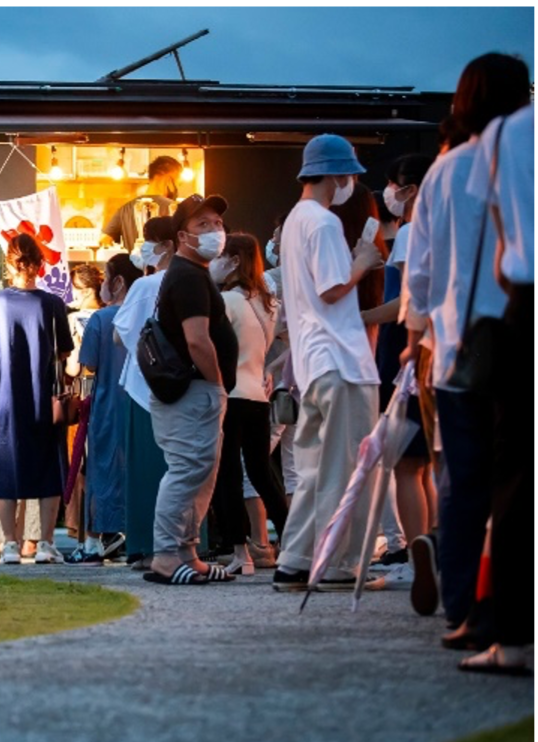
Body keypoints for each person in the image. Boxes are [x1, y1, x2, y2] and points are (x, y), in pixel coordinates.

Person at [406, 53, 531, 643]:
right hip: (519, 332)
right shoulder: (520, 158)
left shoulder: (445, 170)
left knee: (462, 482)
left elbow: (421, 276)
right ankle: (503, 605)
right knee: (515, 482)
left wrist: (415, 342)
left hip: (457, 348)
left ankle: (460, 606)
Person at [277, 135, 386, 592]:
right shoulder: (322, 224)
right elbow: (332, 288)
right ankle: (339, 565)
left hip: (313, 363)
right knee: (348, 467)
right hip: (341, 359)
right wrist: (362, 262)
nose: (352, 184)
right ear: (339, 175)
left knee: (317, 469)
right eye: (351, 175)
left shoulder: (295, 221)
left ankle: (296, 560)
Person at [455, 102, 533, 675]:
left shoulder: (507, 134)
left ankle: (509, 636)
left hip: (524, 306)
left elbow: (499, 232)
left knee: (517, 474)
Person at [142, 195, 240, 585]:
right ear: (182, 235)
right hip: (193, 390)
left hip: (195, 391)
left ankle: (186, 551)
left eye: (217, 223)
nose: (215, 231)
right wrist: (217, 384)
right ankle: (167, 555)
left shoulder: (193, 274)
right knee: (187, 471)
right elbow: (197, 340)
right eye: (203, 225)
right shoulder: (187, 277)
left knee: (201, 472)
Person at [0, 234, 75, 565]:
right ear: (40, 264)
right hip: (43, 395)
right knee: (47, 467)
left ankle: (10, 546)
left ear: (9, 263)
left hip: (5, 397)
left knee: (7, 469)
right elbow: (63, 352)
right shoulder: (52, 304)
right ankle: (45, 544)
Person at [364, 155, 436, 585]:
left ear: (407, 189)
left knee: (405, 466)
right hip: (434, 354)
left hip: (406, 358)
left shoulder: (412, 231)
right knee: (423, 465)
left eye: (393, 184)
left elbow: (407, 304)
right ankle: (429, 552)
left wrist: (361, 316)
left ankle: (415, 558)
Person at [205, 233, 286, 576]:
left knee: (228, 474)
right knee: (263, 474)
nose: (216, 262)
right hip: (258, 396)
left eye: (222, 256)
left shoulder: (228, 301)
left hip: (232, 395)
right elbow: (283, 344)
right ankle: (292, 542)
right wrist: (269, 370)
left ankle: (242, 552)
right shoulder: (268, 303)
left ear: (235, 260)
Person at [113, 216, 180, 567]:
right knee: (182, 466)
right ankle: (184, 544)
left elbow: (119, 334)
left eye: (147, 240)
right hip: (184, 383)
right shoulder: (196, 280)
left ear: (166, 245)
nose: (142, 247)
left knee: (144, 468)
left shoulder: (144, 286)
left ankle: (144, 545)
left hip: (144, 383)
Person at [74, 255, 143, 564]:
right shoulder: (144, 313)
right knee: (137, 469)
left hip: (106, 405)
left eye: (105, 279)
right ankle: (135, 533)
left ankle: (98, 538)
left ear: (116, 283)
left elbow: (87, 363)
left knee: (102, 471)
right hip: (140, 403)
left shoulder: (100, 320)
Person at [104, 156, 185, 251]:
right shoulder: (176, 209)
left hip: (131, 264)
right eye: (178, 183)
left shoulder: (125, 209)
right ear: (168, 179)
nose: (177, 188)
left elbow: (105, 240)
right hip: (166, 265)